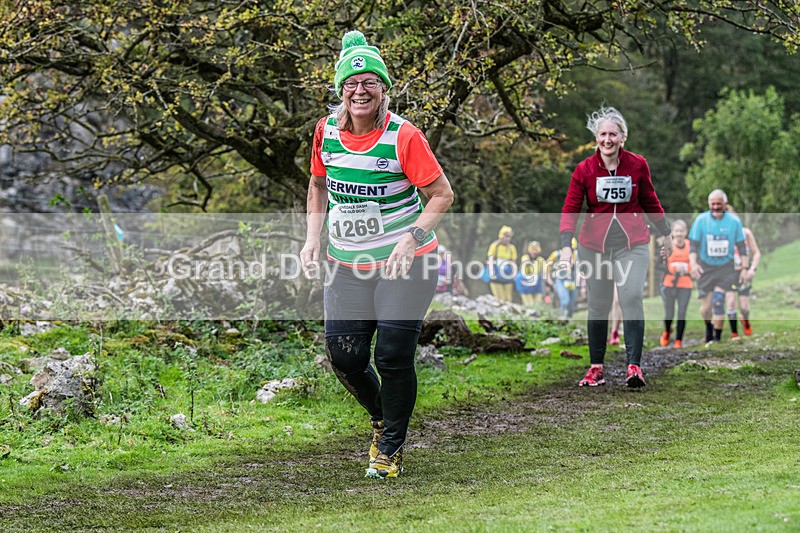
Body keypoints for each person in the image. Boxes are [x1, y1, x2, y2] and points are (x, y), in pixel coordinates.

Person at [300, 30, 454, 479]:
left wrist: (410, 239)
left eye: (369, 82)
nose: (360, 90)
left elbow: (442, 195)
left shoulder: (404, 136)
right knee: (344, 355)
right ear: (340, 90)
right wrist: (313, 238)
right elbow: (317, 184)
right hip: (347, 263)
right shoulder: (325, 132)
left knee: (390, 354)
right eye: (351, 83)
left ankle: (389, 448)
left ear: (384, 89)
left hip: (406, 263)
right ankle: (385, 416)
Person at [559, 106, 672, 388]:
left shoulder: (637, 165)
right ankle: (596, 367)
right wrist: (565, 246)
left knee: (631, 295)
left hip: (632, 244)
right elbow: (571, 208)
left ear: (623, 137)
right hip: (593, 246)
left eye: (613, 134)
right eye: (602, 134)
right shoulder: (584, 169)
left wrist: (666, 235)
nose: (607, 139)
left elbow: (650, 201)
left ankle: (634, 366)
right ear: (595, 138)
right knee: (598, 305)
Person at [688, 190, 749, 343]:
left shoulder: (734, 221)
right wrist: (693, 264)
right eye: (713, 204)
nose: (715, 207)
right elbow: (693, 246)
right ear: (709, 204)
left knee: (718, 301)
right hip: (706, 267)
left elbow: (742, 247)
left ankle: (716, 338)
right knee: (706, 308)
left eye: (719, 204)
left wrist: (744, 268)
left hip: (725, 267)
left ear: (724, 204)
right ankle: (709, 327)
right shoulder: (701, 220)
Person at [725, 206, 761, 338]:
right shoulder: (722, 234)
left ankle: (745, 319)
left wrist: (752, 269)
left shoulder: (745, 232)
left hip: (744, 271)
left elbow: (756, 253)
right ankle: (734, 333)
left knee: (744, 306)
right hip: (729, 273)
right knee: (730, 302)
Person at [659, 219, 693, 349]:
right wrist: (672, 268)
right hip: (669, 284)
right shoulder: (667, 246)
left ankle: (678, 340)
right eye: (676, 231)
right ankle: (667, 332)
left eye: (681, 231)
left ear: (686, 232)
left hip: (686, 284)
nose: (679, 233)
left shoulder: (691, 247)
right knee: (669, 313)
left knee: (682, 312)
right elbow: (657, 265)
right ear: (672, 233)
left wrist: (687, 268)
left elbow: (696, 262)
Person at [546, 238, 578, 318]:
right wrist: (548, 279)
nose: (572, 251)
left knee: (571, 303)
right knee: (565, 301)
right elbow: (547, 266)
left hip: (572, 280)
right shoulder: (556, 255)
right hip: (560, 280)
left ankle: (569, 320)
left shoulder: (576, 255)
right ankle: (562, 318)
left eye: (573, 249)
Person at [486, 225, 518, 302]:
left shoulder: (511, 248)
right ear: (501, 236)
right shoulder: (494, 246)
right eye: (506, 236)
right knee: (499, 299)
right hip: (496, 275)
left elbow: (514, 262)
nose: (507, 239)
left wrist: (514, 274)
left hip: (507, 275)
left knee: (508, 299)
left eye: (509, 237)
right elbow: (490, 260)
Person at [516, 240, 546, 305]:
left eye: (535, 250)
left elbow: (544, 273)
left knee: (538, 302)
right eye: (532, 251)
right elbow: (525, 266)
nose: (534, 253)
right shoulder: (525, 258)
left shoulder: (541, 260)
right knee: (529, 303)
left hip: (536, 283)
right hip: (525, 283)